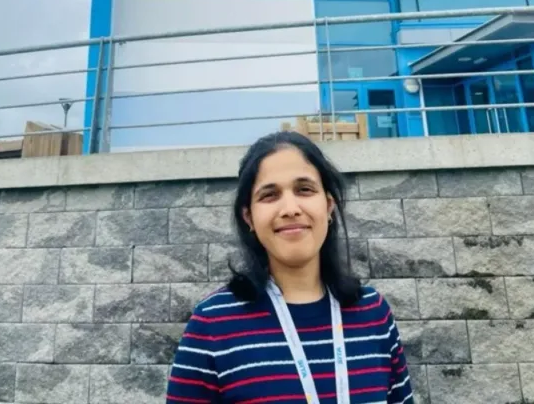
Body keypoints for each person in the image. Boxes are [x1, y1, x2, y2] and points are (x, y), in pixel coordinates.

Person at [166, 131, 413, 403]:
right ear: (248, 216)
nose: (290, 208)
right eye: (270, 195)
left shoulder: (374, 314)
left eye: (304, 190)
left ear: (329, 206)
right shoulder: (212, 324)